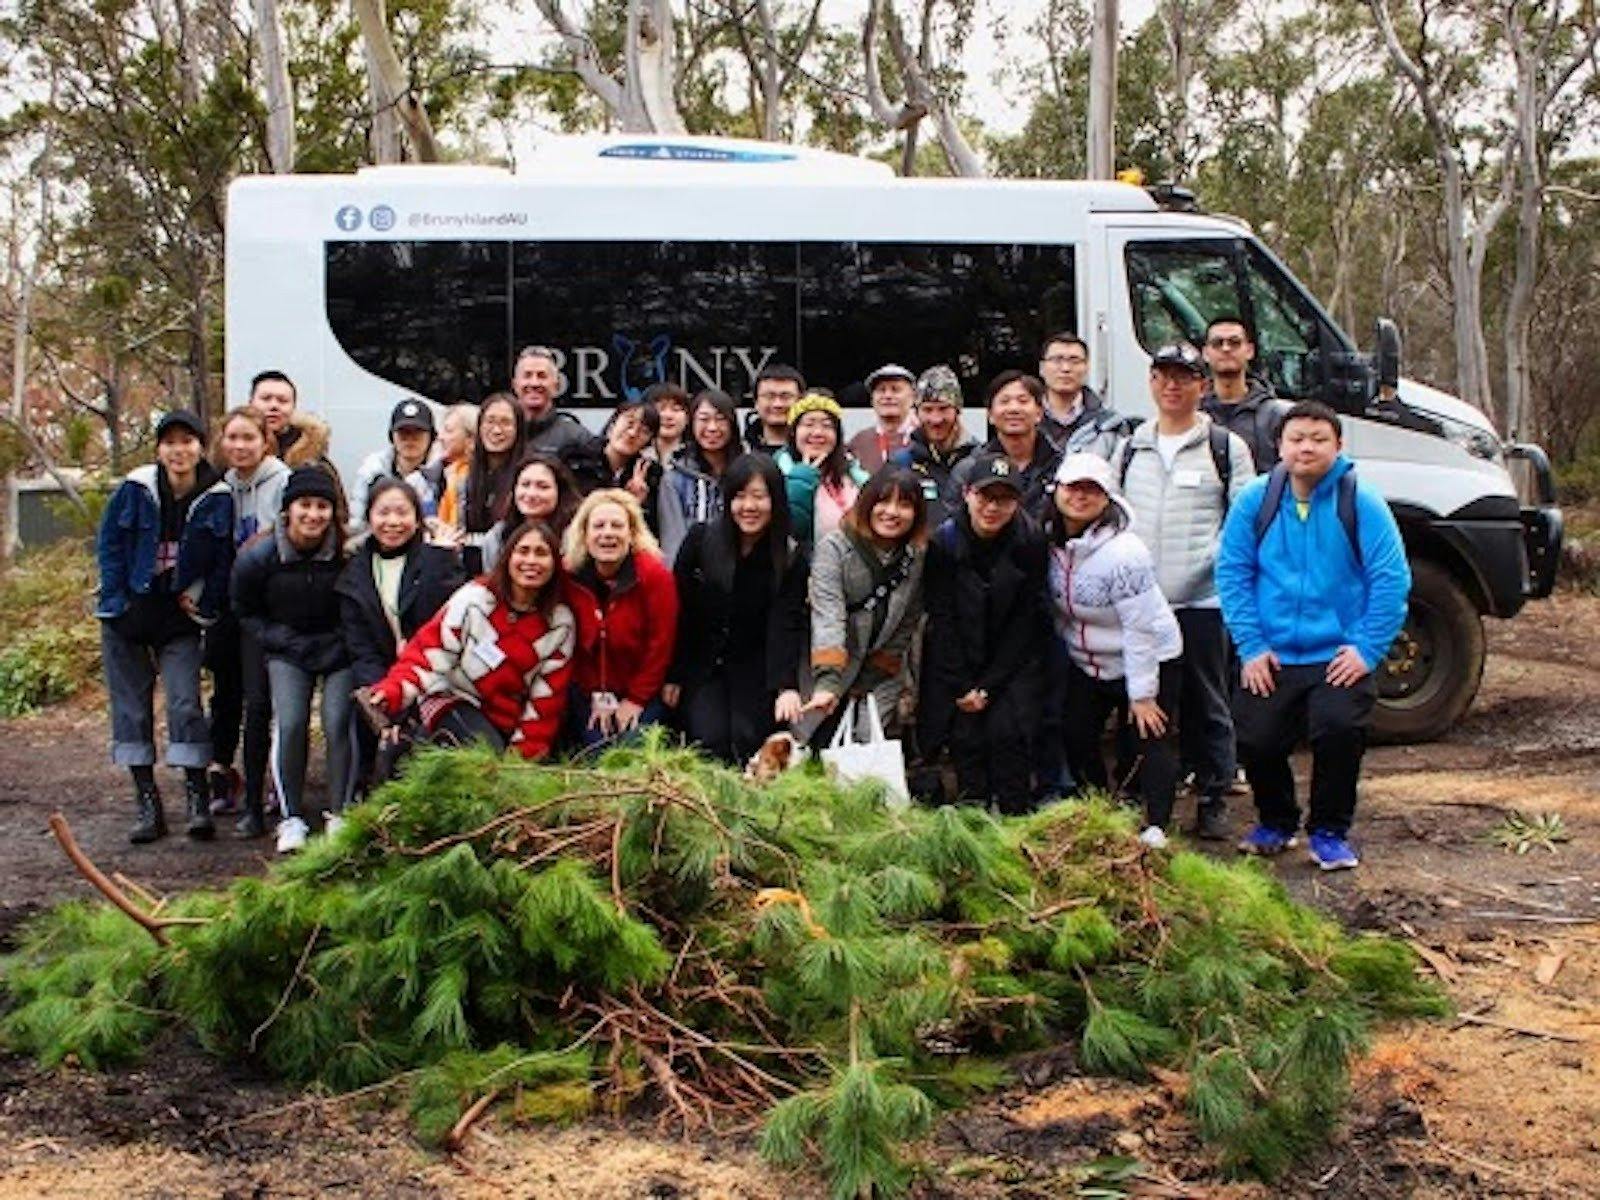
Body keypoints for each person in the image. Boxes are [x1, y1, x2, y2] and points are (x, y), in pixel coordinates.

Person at [1216, 401, 1411, 870]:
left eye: (1318, 438)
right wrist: (1252, 646)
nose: (1307, 447)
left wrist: (1367, 649)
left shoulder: (1360, 501)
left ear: (1339, 446)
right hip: (1272, 651)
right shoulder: (1255, 500)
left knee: (1338, 732)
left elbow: (1391, 579)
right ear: (1279, 446)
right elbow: (1232, 572)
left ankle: (1329, 831)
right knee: (1258, 740)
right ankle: (1276, 822)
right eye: (1296, 438)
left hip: (1337, 652)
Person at [1110, 342, 1255, 841]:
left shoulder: (1224, 446)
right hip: (1142, 607)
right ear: (1151, 382)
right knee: (1144, 702)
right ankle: (1142, 796)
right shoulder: (1131, 445)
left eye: (1184, 376)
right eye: (1163, 375)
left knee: (1208, 702)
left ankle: (1213, 796)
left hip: (1202, 601)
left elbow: (1243, 521)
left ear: (1202, 384)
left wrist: (1206, 567)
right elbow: (1113, 517)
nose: (1172, 386)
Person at [96, 410, 234, 844]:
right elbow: (110, 545)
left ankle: (196, 796)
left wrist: (206, 603)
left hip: (179, 618)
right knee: (131, 708)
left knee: (184, 703)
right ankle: (147, 802)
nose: (179, 450)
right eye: (170, 442)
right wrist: (116, 598)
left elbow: (221, 560)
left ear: (200, 446)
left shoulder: (216, 495)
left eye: (188, 441)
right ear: (159, 449)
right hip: (128, 615)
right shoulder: (136, 489)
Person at [357, 520, 586, 760]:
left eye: (541, 553)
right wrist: (393, 691)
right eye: (523, 551)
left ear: (554, 563)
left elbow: (546, 701)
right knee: (483, 753)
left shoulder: (560, 624)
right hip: (453, 699)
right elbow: (429, 653)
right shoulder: (474, 599)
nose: (531, 561)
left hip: (506, 719)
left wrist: (521, 762)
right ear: (508, 557)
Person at [1047, 453, 1184, 848]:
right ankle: (1100, 805)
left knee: (1148, 734)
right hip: (1085, 659)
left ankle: (1157, 821)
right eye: (1073, 487)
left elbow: (1139, 628)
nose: (1080, 497)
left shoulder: (1126, 553)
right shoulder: (1048, 539)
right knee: (1076, 732)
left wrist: (1142, 694)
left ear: (1108, 497)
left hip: (1147, 655)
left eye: (1092, 489)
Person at [916, 454, 1048, 814]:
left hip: (1011, 660)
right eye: (985, 497)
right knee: (965, 739)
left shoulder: (1031, 540)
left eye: (1004, 500)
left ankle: (1014, 820)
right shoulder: (944, 542)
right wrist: (963, 685)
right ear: (967, 494)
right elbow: (941, 618)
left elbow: (1027, 620)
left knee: (1009, 736)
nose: (992, 507)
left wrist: (990, 685)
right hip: (958, 656)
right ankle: (972, 821)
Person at [230, 468, 352, 853]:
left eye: (322, 506)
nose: (313, 515)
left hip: (338, 649)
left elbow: (361, 603)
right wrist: (279, 640)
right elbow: (244, 609)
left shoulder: (348, 552)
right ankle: (291, 816)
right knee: (292, 721)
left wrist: (341, 643)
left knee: (337, 721)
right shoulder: (259, 555)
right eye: (305, 505)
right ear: (287, 510)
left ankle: (340, 812)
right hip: (286, 648)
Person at [664, 455, 807, 764]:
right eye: (740, 496)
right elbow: (680, 611)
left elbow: (786, 623)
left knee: (748, 738)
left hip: (756, 668)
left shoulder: (789, 556)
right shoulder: (701, 541)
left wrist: (786, 686)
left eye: (759, 497)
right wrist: (673, 675)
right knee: (708, 739)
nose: (749, 507)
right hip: (704, 666)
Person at [337, 479, 464, 807]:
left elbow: (438, 619)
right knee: (355, 717)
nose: (393, 522)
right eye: (383, 513)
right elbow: (360, 646)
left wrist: (441, 559)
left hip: (433, 674)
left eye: (402, 512)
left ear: (418, 518)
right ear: (369, 517)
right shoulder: (355, 572)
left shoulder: (435, 559)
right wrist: (383, 702)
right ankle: (353, 800)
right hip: (380, 676)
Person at [204, 406, 290, 826]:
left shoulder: (281, 481)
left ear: (265, 441)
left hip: (267, 606)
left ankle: (265, 789)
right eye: (232, 438)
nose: (240, 446)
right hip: (228, 606)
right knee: (226, 694)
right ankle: (224, 778)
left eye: (248, 438)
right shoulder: (223, 487)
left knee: (261, 701)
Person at [800, 467, 928, 740]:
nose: (892, 512)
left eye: (904, 505)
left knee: (867, 749)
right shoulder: (834, 548)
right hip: (826, 665)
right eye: (883, 501)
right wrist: (829, 680)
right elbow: (828, 616)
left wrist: (875, 672)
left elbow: (908, 620)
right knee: (811, 744)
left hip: (880, 671)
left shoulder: (916, 557)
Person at [562, 489, 679, 747]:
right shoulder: (568, 577)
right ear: (584, 534)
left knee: (631, 748)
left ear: (632, 534)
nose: (607, 533)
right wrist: (595, 695)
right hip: (587, 690)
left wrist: (635, 699)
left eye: (617, 526)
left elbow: (660, 646)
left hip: (642, 690)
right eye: (598, 526)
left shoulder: (655, 577)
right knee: (597, 752)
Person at [948, 371, 1061, 523]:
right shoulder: (969, 469)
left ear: (1039, 413)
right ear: (990, 415)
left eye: (1023, 401)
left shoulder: (1061, 467)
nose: (1014, 409)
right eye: (1004, 401)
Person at [776, 392, 870, 548]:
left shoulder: (854, 475)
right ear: (793, 431)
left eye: (827, 426)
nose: (818, 433)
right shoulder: (777, 471)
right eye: (809, 424)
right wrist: (803, 478)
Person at [1200, 315, 1293, 472]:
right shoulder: (1191, 413)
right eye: (1217, 343)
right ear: (1205, 353)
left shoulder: (1277, 416)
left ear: (1250, 351)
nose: (1226, 349)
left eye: (1234, 343)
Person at [891, 365, 979, 529]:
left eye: (943, 409)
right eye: (927, 409)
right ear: (917, 412)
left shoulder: (979, 459)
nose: (936, 419)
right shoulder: (902, 462)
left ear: (958, 410)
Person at [561, 397, 664, 532]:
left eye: (644, 431)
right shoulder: (576, 460)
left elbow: (650, 532)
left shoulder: (650, 474)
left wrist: (636, 505)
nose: (632, 433)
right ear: (612, 425)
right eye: (629, 423)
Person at [658, 387, 738, 562]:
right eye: (703, 419)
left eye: (720, 419)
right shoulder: (674, 478)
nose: (712, 428)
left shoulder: (745, 471)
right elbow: (673, 541)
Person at [454, 392, 526, 576]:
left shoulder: (526, 476)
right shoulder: (461, 475)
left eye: (505, 423)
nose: (496, 430)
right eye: (490, 421)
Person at [482, 453, 583, 571]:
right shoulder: (497, 537)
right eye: (525, 485)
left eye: (543, 486)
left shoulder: (575, 535)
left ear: (560, 492)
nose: (531, 494)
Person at [350, 398, 440, 528]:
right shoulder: (372, 472)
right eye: (403, 433)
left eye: (418, 433)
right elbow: (357, 522)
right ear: (391, 436)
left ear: (432, 437)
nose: (410, 439)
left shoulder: (444, 475)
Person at [1037, 332, 1125, 458]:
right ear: (1042, 368)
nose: (1066, 368)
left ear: (1086, 367)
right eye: (1057, 360)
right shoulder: (1027, 419)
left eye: (1075, 361)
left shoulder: (1109, 424)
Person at [512, 345, 588, 455]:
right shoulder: (502, 433)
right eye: (527, 376)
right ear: (515, 385)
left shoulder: (575, 437)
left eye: (542, 376)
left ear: (556, 386)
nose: (534, 383)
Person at [846, 363, 918, 473]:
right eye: (881, 390)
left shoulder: (924, 439)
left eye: (895, 390)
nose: (888, 396)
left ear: (912, 397)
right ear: (872, 399)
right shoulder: (859, 442)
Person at [433, 402, 478, 531]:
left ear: (471, 439)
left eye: (449, 431)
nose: (440, 437)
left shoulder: (470, 478)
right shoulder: (447, 473)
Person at [745, 363, 804, 456]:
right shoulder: (741, 450)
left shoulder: (813, 448)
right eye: (769, 396)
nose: (777, 404)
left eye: (786, 396)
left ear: (800, 401)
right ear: (756, 402)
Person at [645, 382, 691, 466]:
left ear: (687, 417)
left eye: (676, 409)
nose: (668, 416)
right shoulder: (636, 456)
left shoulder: (696, 458)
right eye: (661, 409)